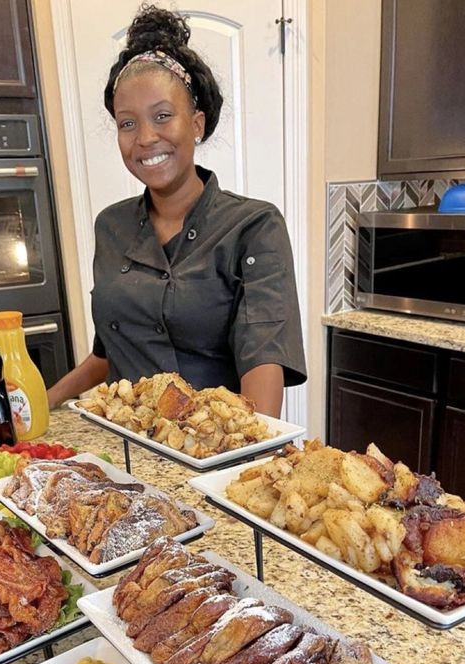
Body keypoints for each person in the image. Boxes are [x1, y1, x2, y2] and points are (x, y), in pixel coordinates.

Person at [47, 4, 306, 417]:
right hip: (125, 443)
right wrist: (45, 401)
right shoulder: (110, 226)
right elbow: (109, 352)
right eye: (127, 124)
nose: (145, 138)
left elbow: (263, 360)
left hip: (211, 451)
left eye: (163, 116)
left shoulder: (254, 226)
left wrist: (245, 457)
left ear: (197, 123)